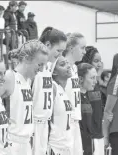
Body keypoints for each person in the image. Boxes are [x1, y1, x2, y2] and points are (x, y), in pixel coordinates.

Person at [2, 40, 49, 155]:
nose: (42, 69)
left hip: (26, 142)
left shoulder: (27, 81)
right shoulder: (10, 77)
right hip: (11, 142)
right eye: (40, 64)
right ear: (27, 59)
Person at [32, 27, 67, 155]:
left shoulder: (49, 66)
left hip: (45, 125)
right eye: (58, 50)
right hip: (33, 124)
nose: (60, 55)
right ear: (47, 45)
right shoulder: (35, 65)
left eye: (63, 51)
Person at [76, 46, 104, 155]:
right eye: (96, 61)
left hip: (94, 134)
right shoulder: (79, 94)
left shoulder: (92, 87)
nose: (99, 64)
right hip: (83, 141)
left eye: (100, 61)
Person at [63, 32, 86, 155]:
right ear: (71, 48)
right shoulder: (61, 67)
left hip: (75, 120)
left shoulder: (75, 68)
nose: (85, 52)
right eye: (82, 48)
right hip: (65, 122)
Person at [48, 56, 73, 155]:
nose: (68, 66)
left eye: (67, 63)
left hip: (66, 145)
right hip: (55, 147)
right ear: (54, 72)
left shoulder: (63, 90)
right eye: (63, 64)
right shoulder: (53, 88)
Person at [77, 63, 98, 155]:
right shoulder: (76, 98)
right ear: (81, 79)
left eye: (96, 78)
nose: (95, 81)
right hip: (79, 146)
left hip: (88, 145)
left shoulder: (86, 96)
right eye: (92, 78)